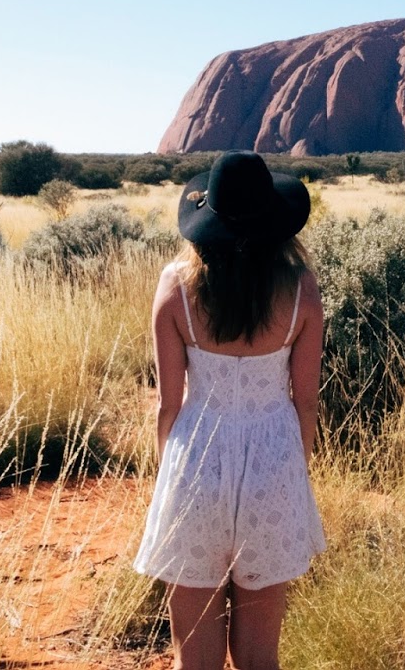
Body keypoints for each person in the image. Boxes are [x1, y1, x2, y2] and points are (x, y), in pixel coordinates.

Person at [133, 150, 327, 670]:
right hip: (273, 464)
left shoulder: (176, 286)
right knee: (259, 659)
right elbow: (305, 402)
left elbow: (167, 404)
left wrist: (167, 477)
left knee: (193, 658)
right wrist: (292, 474)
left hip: (195, 463)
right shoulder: (301, 290)